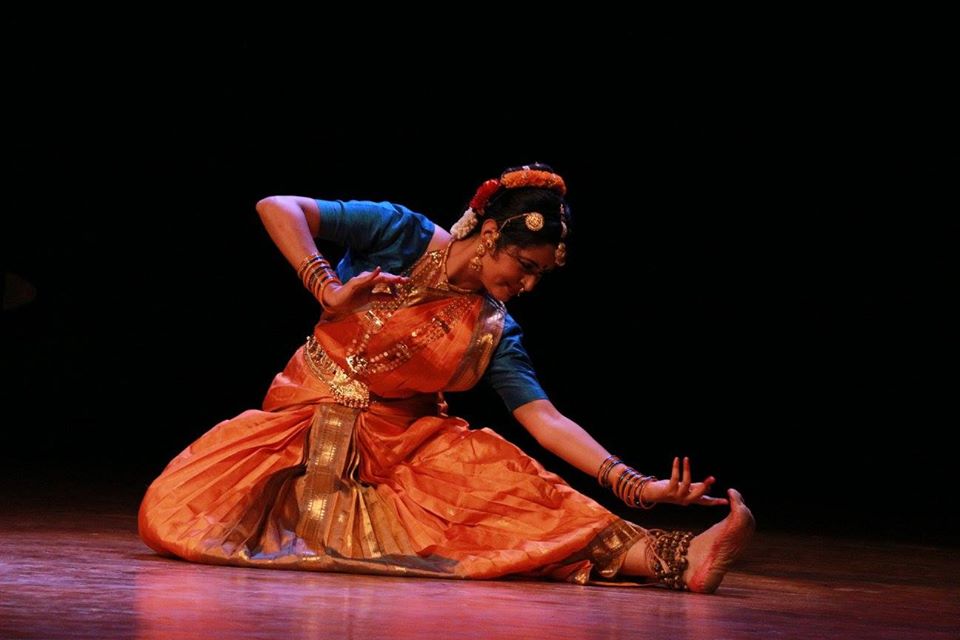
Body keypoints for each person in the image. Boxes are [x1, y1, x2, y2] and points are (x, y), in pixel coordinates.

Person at [138, 163, 753, 592]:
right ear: (490, 236)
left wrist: (633, 483)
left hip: (404, 450)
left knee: (507, 479)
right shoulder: (401, 233)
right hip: (295, 424)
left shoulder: (494, 328)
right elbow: (278, 207)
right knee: (170, 516)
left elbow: (545, 418)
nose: (529, 284)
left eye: (541, 275)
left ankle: (672, 557)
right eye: (524, 264)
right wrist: (325, 285)